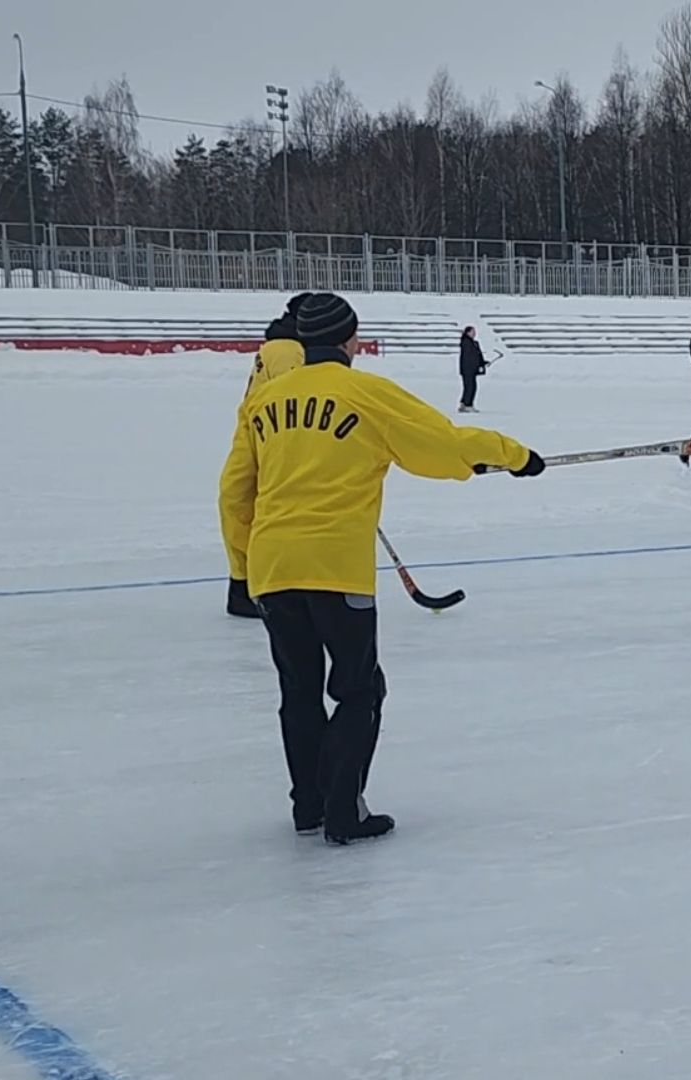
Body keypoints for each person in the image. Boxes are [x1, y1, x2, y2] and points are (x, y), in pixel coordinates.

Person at [219, 292, 546, 845]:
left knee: (298, 692)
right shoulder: (366, 393)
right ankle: (343, 810)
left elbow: (234, 491)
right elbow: (440, 445)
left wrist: (242, 567)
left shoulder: (264, 400)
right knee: (358, 690)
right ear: (350, 340)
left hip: (273, 568)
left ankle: (308, 807)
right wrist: (514, 456)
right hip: (336, 568)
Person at [228, 299, 309, 619]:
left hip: (252, 432)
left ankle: (243, 585)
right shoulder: (289, 349)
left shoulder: (275, 345)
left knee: (239, 504)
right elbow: (295, 401)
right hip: (268, 437)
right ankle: (262, 586)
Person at [458, 326, 490, 413]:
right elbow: (471, 357)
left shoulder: (473, 343)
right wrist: (478, 365)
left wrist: (482, 363)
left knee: (469, 387)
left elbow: (477, 356)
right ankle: (468, 405)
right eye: (473, 331)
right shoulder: (467, 343)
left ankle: (463, 403)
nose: (474, 333)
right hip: (468, 369)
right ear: (468, 333)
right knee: (471, 387)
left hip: (470, 368)